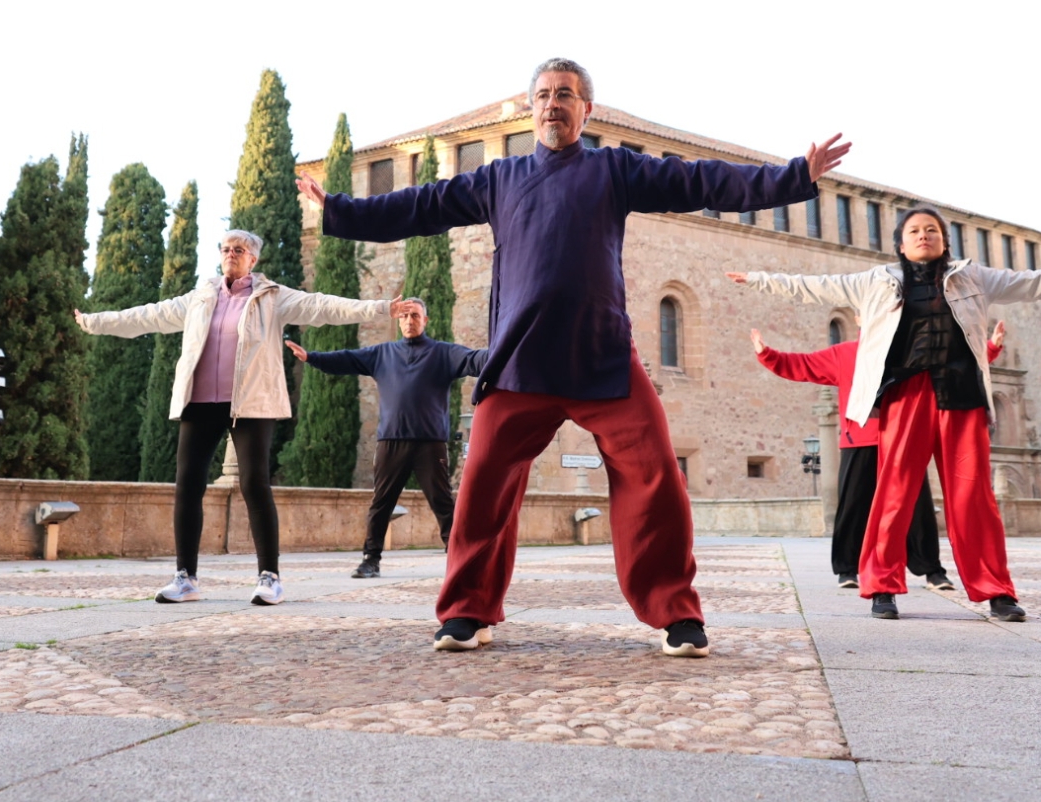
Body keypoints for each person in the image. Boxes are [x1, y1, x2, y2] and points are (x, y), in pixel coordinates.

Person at [299, 57, 849, 656]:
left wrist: (795, 178)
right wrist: (339, 211)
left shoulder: (615, 169)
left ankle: (677, 615)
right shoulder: (497, 178)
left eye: (565, 94)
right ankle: (466, 612)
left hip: (601, 356)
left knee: (657, 474)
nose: (553, 103)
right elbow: (417, 206)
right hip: (519, 362)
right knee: (482, 484)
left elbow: (701, 181)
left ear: (587, 109)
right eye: (543, 94)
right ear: (529, 108)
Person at [730, 208, 1041, 622]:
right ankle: (881, 587)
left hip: (960, 395)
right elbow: (814, 287)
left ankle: (997, 591)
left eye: (932, 230)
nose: (924, 235)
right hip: (905, 395)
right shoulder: (875, 281)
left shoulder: (974, 277)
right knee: (893, 493)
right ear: (900, 243)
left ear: (945, 239)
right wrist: (759, 279)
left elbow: (1038, 282)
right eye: (914, 230)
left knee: (974, 497)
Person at [75, 229, 410, 607]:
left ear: (253, 260)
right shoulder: (200, 298)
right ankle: (185, 577)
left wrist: (381, 308)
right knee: (188, 485)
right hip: (200, 402)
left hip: (251, 402)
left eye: (240, 250)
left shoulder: (271, 296)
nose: (231, 254)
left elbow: (323, 306)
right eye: (226, 249)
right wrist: (95, 321)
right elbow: (147, 316)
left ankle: (270, 577)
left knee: (254, 484)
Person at [752, 320, 1006, 589]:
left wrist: (990, 348)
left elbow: (955, 367)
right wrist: (766, 354)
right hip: (859, 438)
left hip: (903, 437)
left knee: (918, 508)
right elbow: (802, 365)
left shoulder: (913, 352)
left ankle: (932, 571)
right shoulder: (845, 353)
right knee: (853, 506)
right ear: (861, 319)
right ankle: (847, 569)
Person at [286, 297, 487, 578]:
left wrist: (502, 353)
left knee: (442, 503)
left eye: (415, 315)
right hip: (391, 442)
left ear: (425, 320)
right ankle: (371, 560)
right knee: (381, 503)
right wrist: (312, 357)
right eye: (404, 316)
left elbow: (473, 359)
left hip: (430, 443)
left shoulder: (443, 353)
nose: (409, 321)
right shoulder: (383, 354)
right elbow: (347, 359)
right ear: (397, 320)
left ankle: (459, 559)